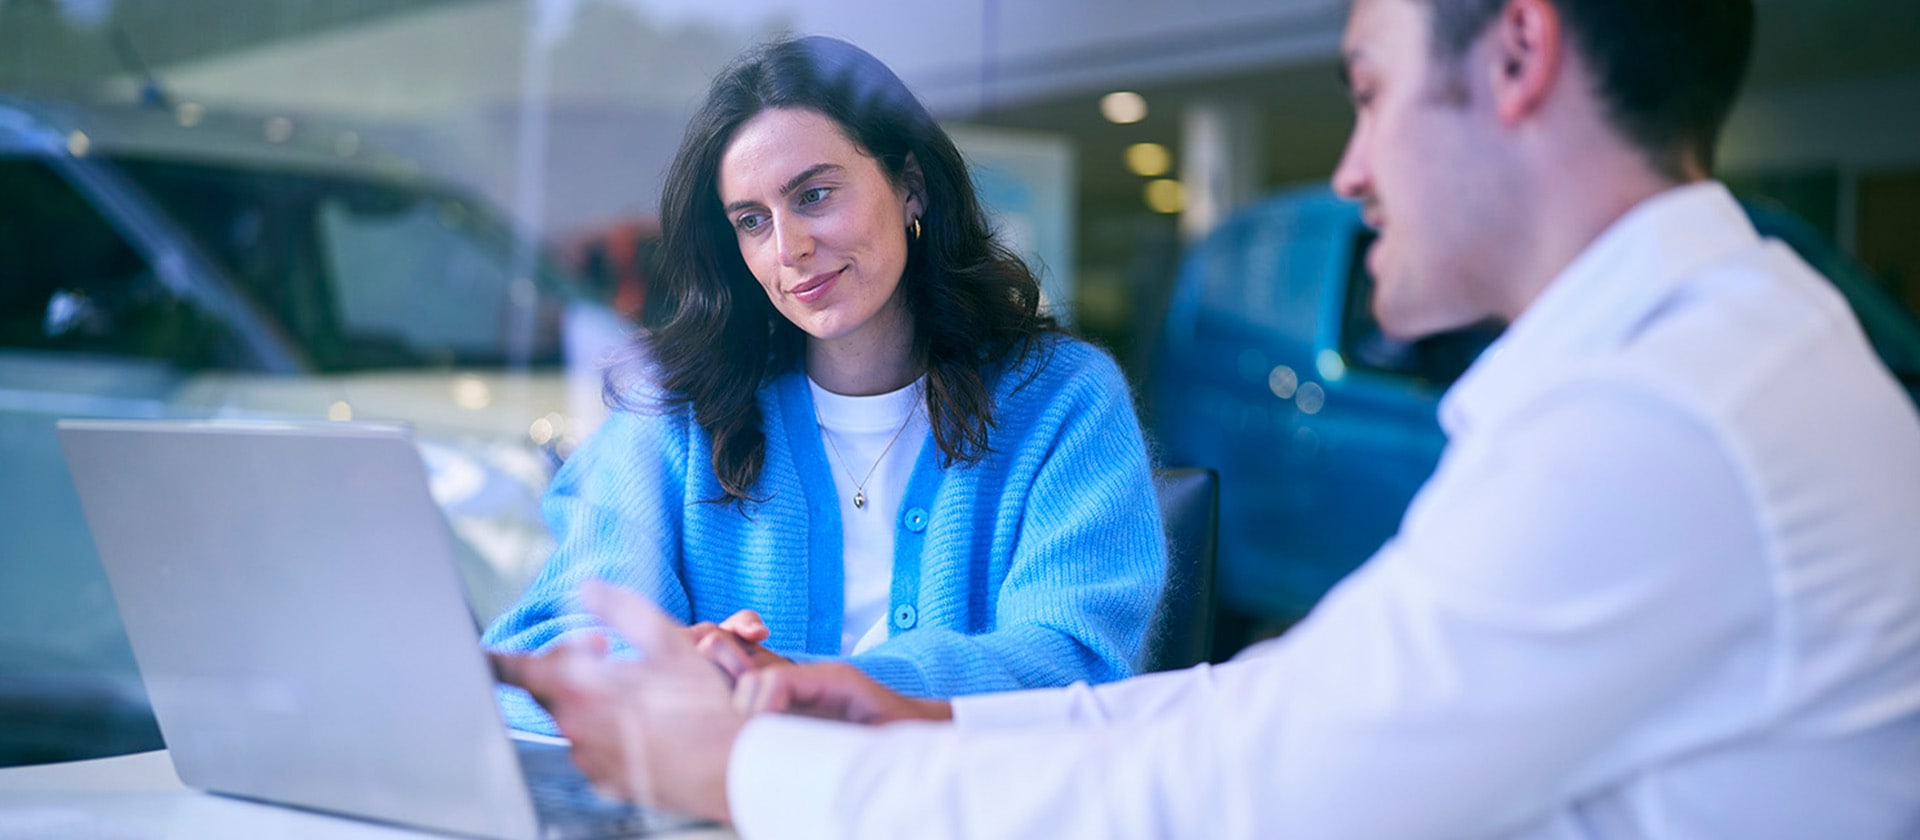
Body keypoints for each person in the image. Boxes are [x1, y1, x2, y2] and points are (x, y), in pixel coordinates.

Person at [494, 0, 1920, 836]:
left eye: (1364, 92)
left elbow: (1236, 793)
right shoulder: (1712, 360)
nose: (1349, 173)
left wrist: (744, 762)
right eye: (752, 218)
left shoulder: (1657, 425)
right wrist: (915, 706)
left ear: (1517, 54)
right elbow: (1279, 709)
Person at [482, 36, 1167, 734]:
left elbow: (1074, 661)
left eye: (813, 195)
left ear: (910, 187)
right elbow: (539, 652)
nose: (789, 249)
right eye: (752, 221)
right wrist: (671, 677)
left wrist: (808, 687)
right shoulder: (677, 415)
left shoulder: (1061, 401)